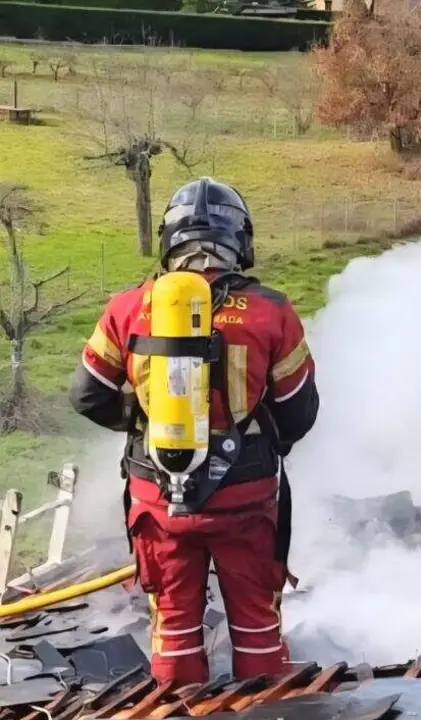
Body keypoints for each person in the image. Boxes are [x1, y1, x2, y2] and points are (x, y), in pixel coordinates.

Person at [69, 178, 320, 685]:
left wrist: (146, 423)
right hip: (245, 500)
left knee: (175, 629)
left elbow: (87, 395)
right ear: (239, 241)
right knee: (256, 628)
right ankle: (264, 709)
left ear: (169, 240)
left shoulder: (127, 307)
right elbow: (298, 411)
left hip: (158, 501)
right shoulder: (272, 310)